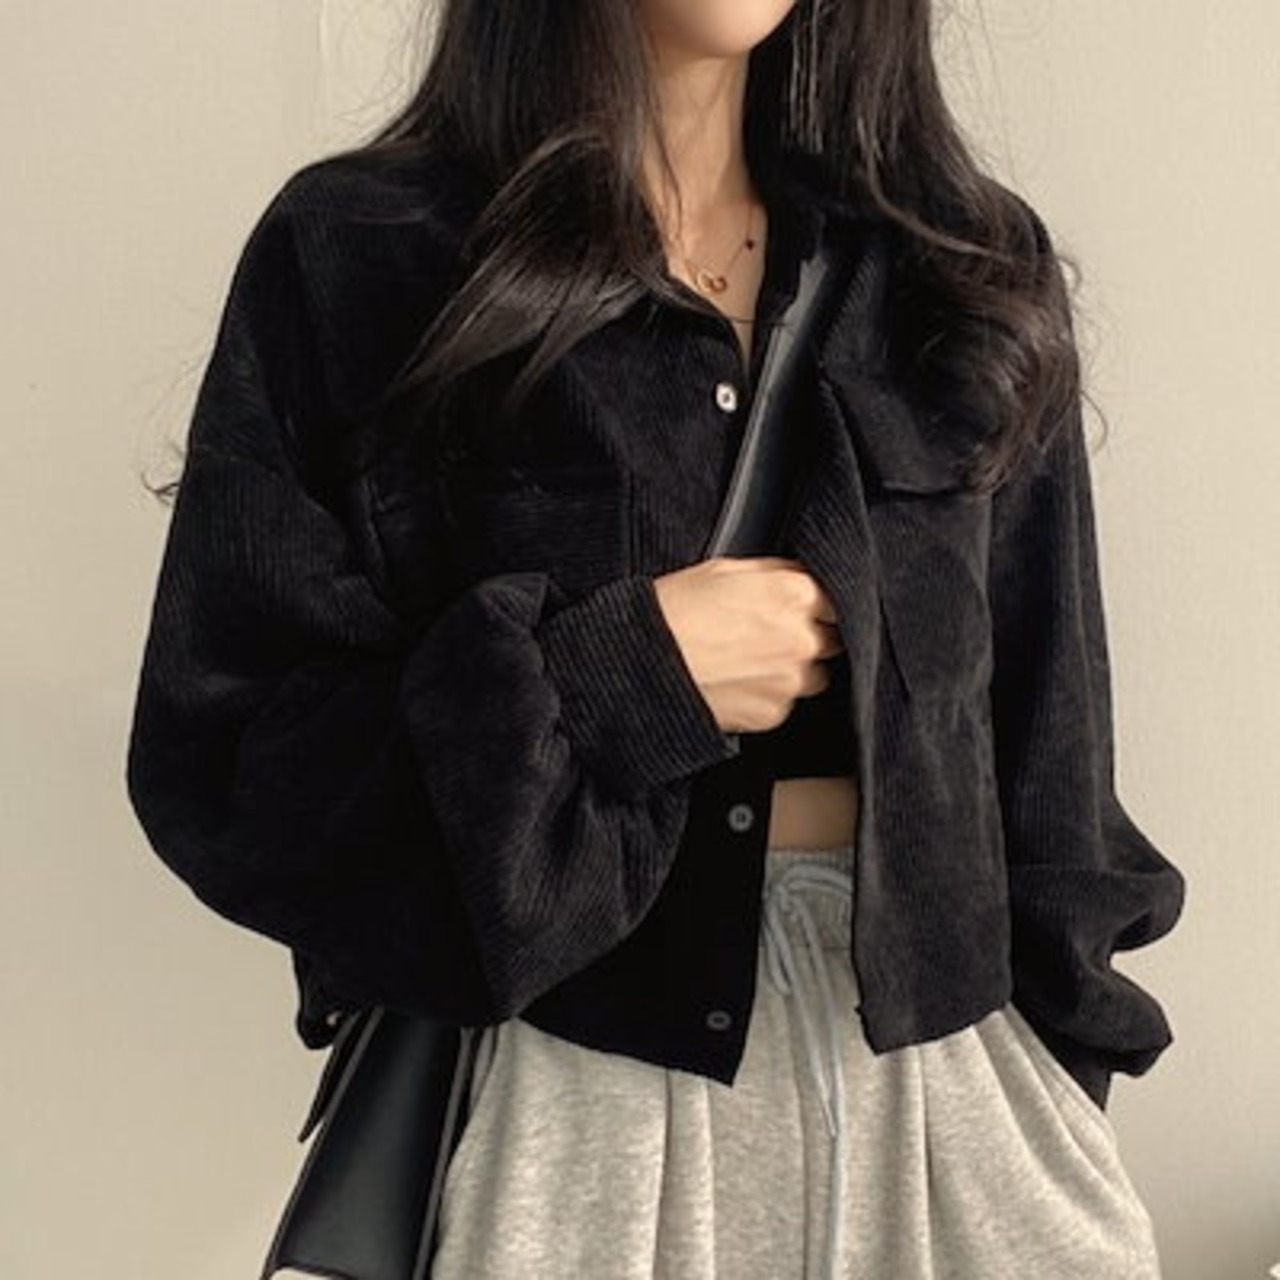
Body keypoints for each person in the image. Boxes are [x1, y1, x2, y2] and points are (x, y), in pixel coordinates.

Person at [126, 1, 1187, 1276]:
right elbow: (228, 762)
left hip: (955, 1105)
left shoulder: (957, 267)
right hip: (583, 1108)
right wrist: (623, 681)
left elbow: (1054, 756)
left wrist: (1059, 1085)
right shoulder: (366, 252)